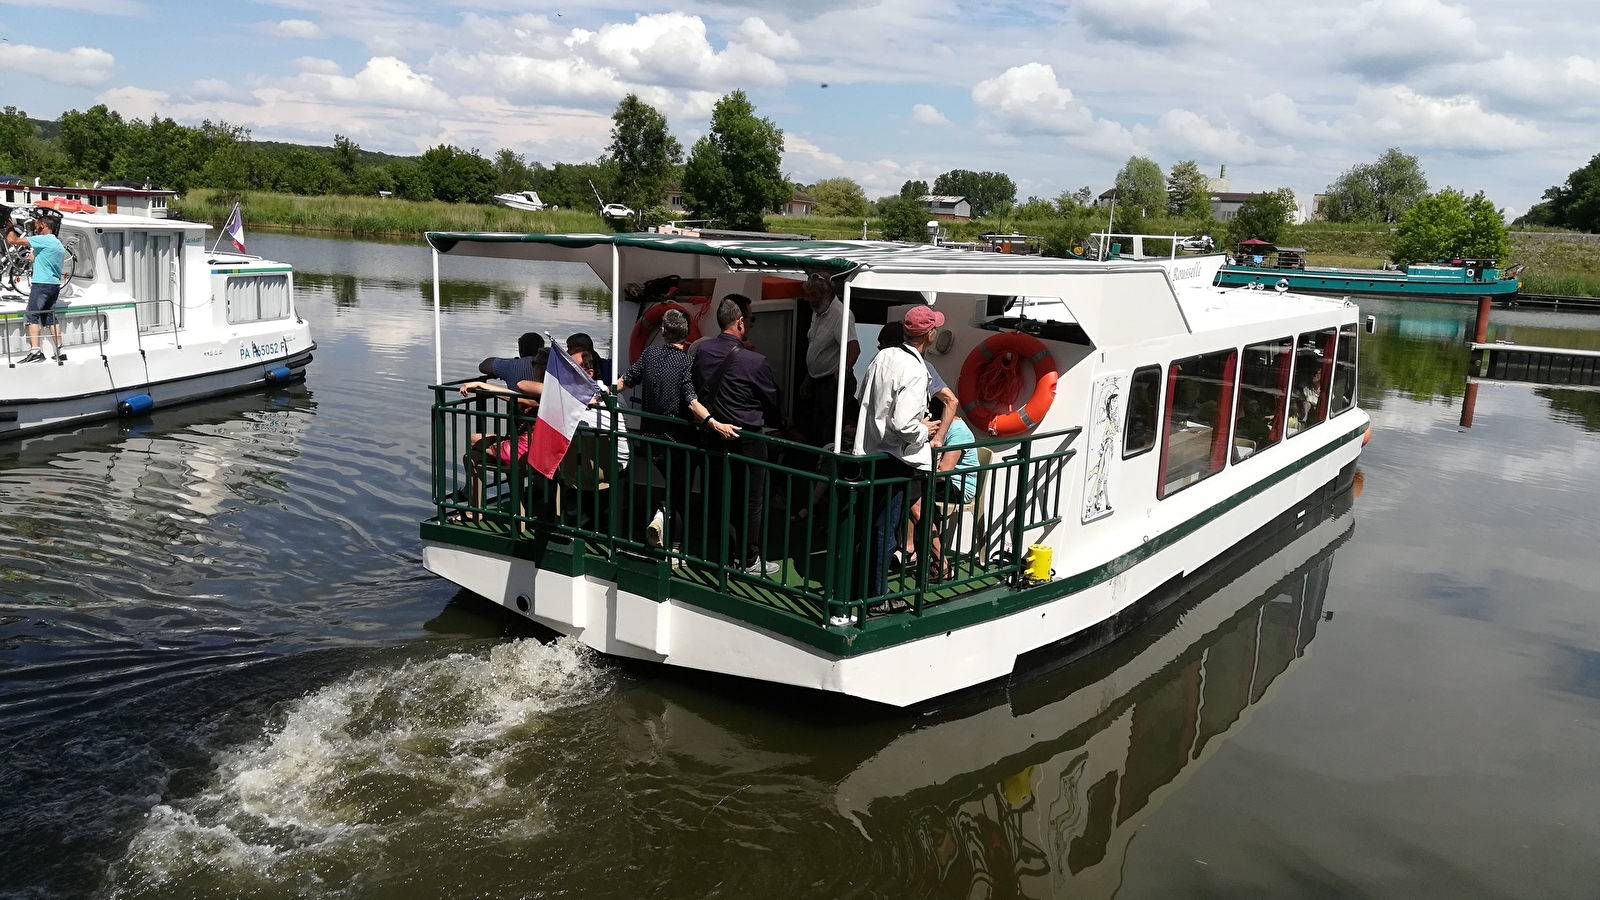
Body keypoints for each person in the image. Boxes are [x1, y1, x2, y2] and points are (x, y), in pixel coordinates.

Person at [615, 308, 735, 549]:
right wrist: (714, 423)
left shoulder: (649, 354)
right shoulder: (688, 363)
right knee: (680, 493)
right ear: (687, 334)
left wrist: (603, 393)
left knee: (672, 486)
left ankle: (660, 517)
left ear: (662, 332)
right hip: (676, 442)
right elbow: (691, 401)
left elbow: (625, 381)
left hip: (650, 440)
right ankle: (676, 548)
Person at [854, 304, 942, 605]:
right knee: (886, 529)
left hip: (871, 453)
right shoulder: (916, 370)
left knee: (872, 526)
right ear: (929, 334)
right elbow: (903, 423)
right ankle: (877, 597)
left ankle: (863, 589)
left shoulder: (882, 356)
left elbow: (862, 397)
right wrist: (925, 430)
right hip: (897, 459)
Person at [693, 296, 785, 575]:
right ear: (741, 322)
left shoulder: (702, 351)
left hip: (712, 434)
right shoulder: (754, 361)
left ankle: (721, 553)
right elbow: (772, 401)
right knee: (751, 500)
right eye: (752, 320)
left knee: (720, 495)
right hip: (748, 440)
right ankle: (748, 559)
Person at [899, 396, 981, 581]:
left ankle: (939, 562)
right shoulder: (941, 431)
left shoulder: (957, 431)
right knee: (911, 492)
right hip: (941, 481)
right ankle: (909, 547)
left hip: (958, 486)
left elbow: (944, 472)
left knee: (913, 498)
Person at [799, 273, 859, 446]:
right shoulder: (818, 311)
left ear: (827, 293)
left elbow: (853, 348)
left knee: (827, 432)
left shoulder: (841, 314)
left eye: (814, 295)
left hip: (831, 384)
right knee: (814, 429)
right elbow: (816, 347)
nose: (810, 300)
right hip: (816, 381)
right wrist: (808, 377)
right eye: (808, 295)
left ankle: (825, 467)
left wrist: (842, 373)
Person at [877, 320, 959, 447]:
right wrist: (935, 437)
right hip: (905, 451)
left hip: (879, 448)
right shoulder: (923, 368)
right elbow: (951, 401)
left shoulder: (878, 362)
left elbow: (902, 425)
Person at [4, 211, 67, 363]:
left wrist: (9, 226)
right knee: (50, 318)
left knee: (32, 315)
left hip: (41, 284)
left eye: (36, 225)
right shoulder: (57, 243)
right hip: (54, 284)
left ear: (43, 226)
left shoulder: (42, 239)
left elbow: (12, 240)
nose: (34, 227)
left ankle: (35, 352)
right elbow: (45, 257)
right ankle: (60, 351)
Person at [477, 332, 544, 390]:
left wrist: (510, 361)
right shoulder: (549, 365)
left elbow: (483, 367)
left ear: (521, 350)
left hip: (516, 403)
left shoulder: (511, 365)